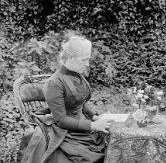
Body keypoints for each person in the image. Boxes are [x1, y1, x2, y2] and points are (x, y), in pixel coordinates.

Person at [18, 31, 114, 163]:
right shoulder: (54, 84)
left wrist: (94, 116)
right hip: (66, 133)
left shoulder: (77, 75)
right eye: (84, 59)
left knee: (112, 147)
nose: (87, 64)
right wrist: (93, 125)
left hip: (83, 127)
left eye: (88, 59)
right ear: (70, 58)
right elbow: (61, 120)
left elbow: (80, 102)